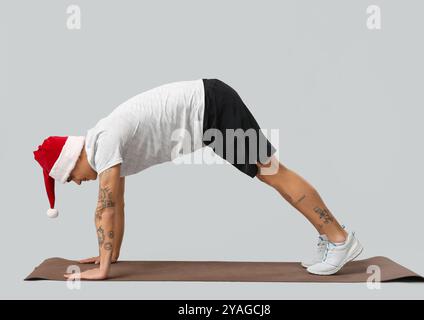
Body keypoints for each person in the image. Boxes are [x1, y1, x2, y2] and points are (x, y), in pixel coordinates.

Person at [33, 78, 363, 280]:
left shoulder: (101, 143)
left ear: (71, 160)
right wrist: (111, 255)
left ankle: (338, 238)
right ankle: (332, 237)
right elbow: (115, 201)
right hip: (209, 110)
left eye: (68, 178)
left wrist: (103, 269)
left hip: (212, 108)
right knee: (272, 174)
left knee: (274, 174)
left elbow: (103, 207)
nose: (75, 183)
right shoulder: (104, 145)